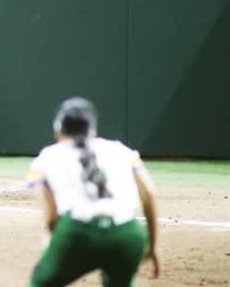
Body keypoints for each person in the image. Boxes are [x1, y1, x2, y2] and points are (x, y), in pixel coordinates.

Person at [27, 97, 160, 286]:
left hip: (79, 232)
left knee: (40, 283)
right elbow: (149, 194)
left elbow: (50, 219)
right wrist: (153, 247)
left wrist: (53, 245)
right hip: (127, 234)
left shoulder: (47, 157)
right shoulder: (119, 150)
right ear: (92, 128)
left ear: (58, 129)